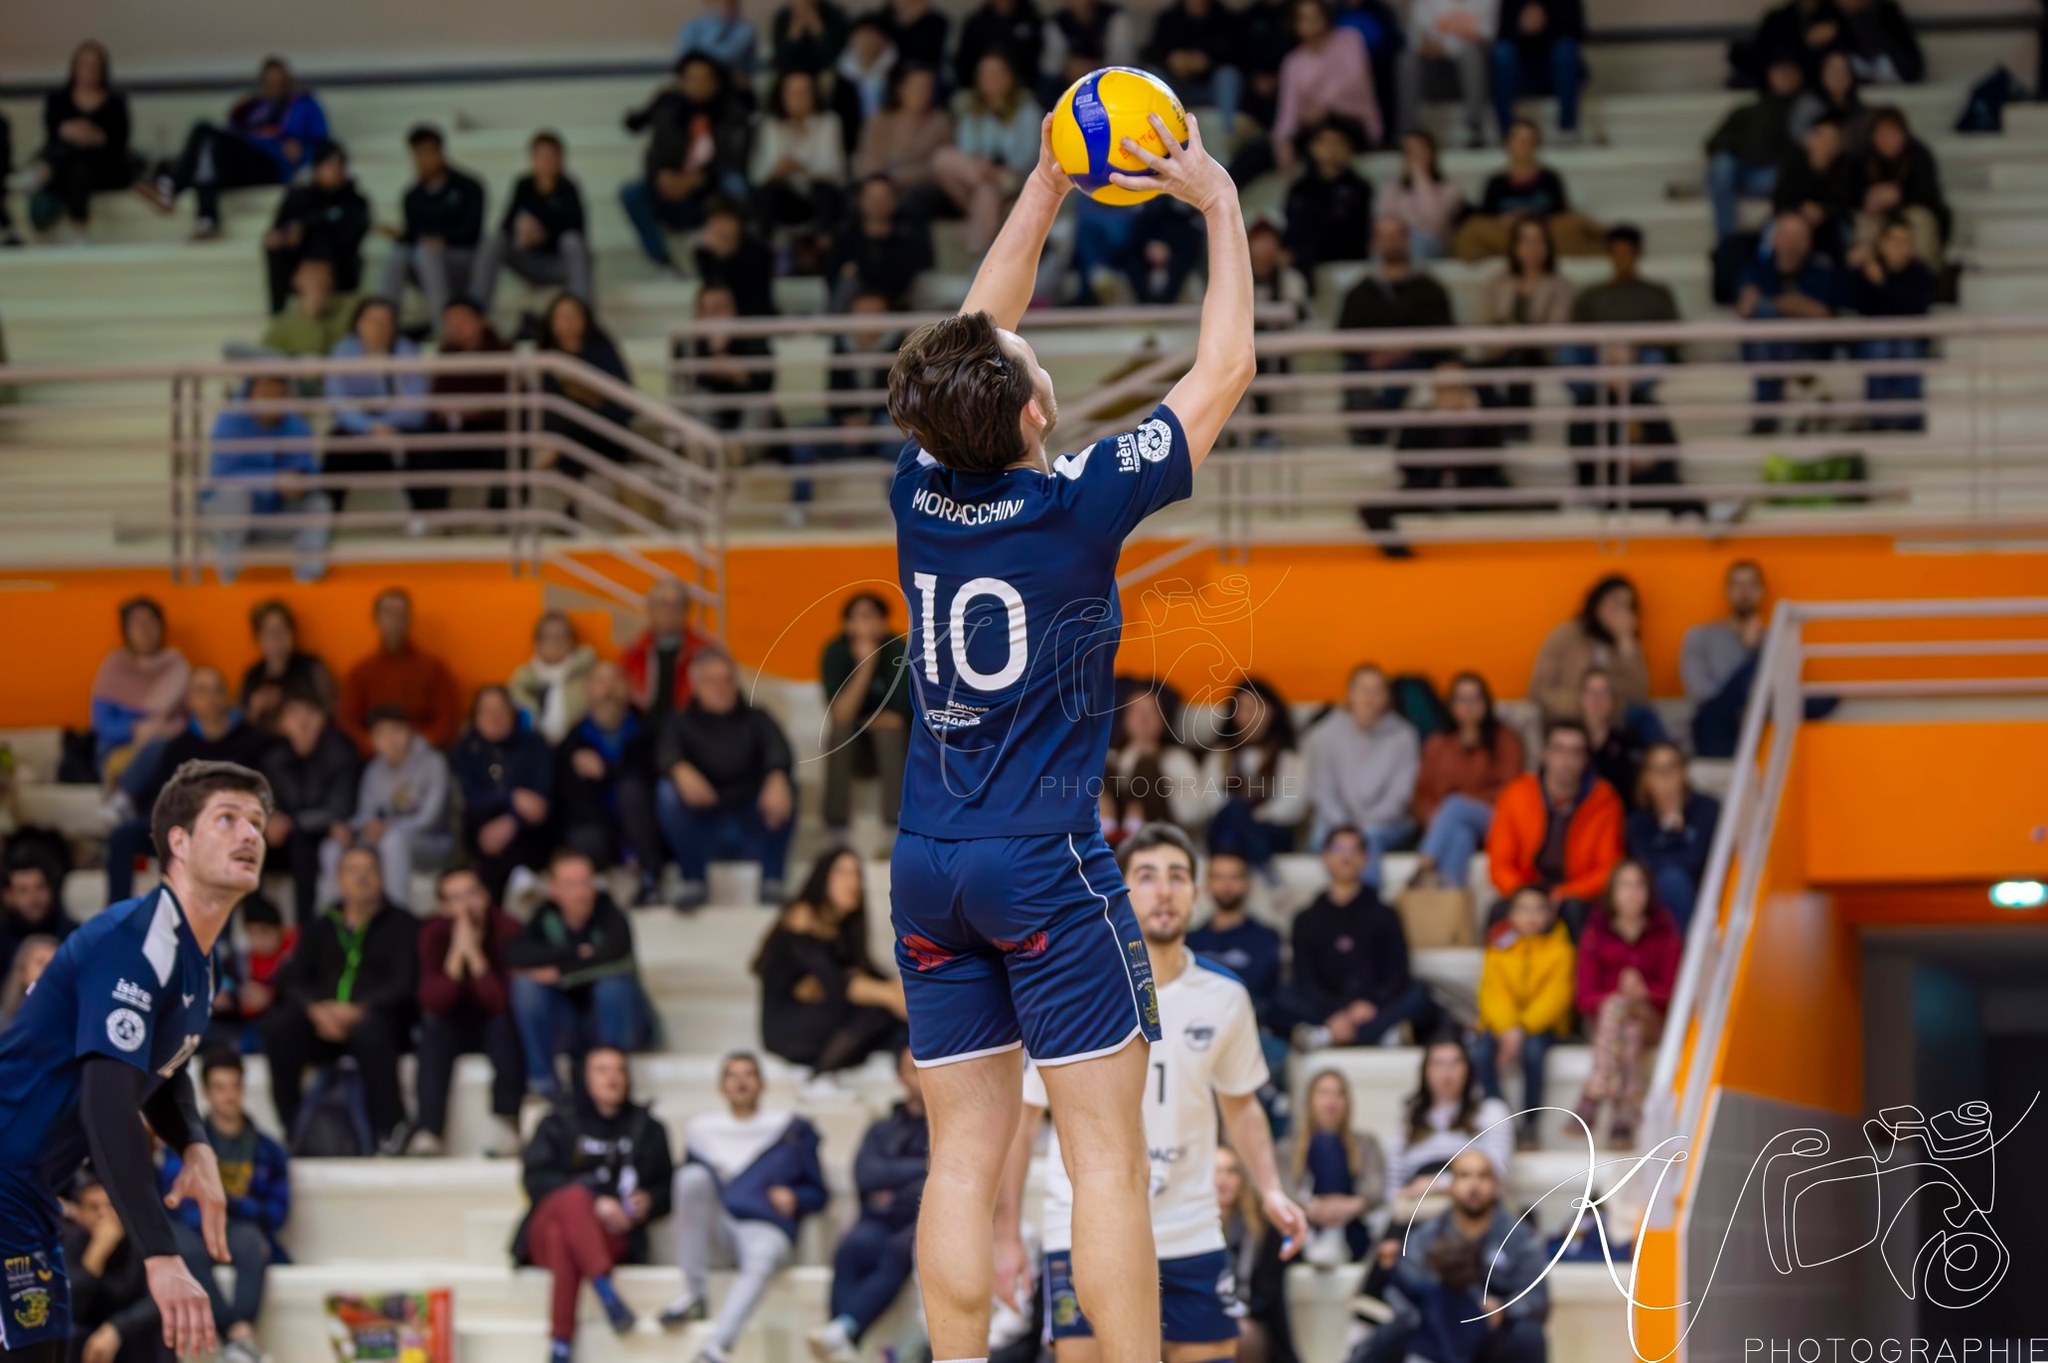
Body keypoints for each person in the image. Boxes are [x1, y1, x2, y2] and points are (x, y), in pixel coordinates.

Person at [883, 106, 1252, 1363]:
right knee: (1103, 1160)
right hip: (1039, 858)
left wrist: (1045, 181)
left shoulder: (915, 486)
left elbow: (968, 342)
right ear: (1034, 416)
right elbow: (1223, 370)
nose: (1018, 344)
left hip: (926, 857)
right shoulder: (1079, 501)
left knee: (960, 1156)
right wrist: (1216, 203)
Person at [996, 826, 1308, 1363]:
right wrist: (1005, 1234)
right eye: (1146, 877)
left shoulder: (1226, 997)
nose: (1164, 891)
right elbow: (1022, 1125)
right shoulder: (1069, 996)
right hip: (1084, 1228)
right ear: (1119, 892)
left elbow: (1241, 1106)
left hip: (1189, 1227)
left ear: (1197, 893)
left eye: (1177, 877)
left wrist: (1272, 1189)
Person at [0, 760, 270, 1363]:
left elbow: (165, 1070)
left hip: (29, 1189)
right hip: (7, 1177)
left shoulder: (199, 960)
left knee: (43, 1349)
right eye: (228, 818)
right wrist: (161, 1253)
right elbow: (107, 1106)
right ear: (179, 841)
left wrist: (194, 1144)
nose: (250, 833)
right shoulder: (132, 942)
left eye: (257, 821)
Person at [658, 1053, 828, 1363]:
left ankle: (716, 1348)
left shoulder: (790, 1130)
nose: (741, 1082)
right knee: (690, 1177)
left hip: (765, 1227)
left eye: (749, 1074)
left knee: (762, 1254)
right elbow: (693, 1197)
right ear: (721, 1086)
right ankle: (694, 1294)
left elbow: (819, 1193)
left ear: (762, 1084)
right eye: (732, 1075)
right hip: (720, 1228)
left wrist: (796, 1197)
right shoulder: (703, 1132)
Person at [514, 1046, 675, 1363]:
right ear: (584, 1077)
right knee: (574, 1198)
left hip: (612, 1232)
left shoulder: (648, 1128)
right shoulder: (557, 1122)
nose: (611, 1078)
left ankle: (561, 1345)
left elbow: (667, 1189)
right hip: (547, 1223)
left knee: (563, 1239)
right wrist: (596, 1202)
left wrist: (649, 1202)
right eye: (601, 1070)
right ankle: (604, 1288)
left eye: (618, 1070)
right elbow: (535, 1180)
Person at [262, 845, 418, 1153]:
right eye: (352, 870)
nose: (361, 878)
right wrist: (316, 1010)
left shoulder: (402, 924)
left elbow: (404, 983)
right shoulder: (322, 924)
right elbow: (293, 980)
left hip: (376, 1020)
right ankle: (292, 1128)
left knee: (374, 1031)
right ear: (338, 879)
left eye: (368, 870)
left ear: (382, 877)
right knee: (278, 1028)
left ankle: (390, 1129)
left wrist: (358, 1010)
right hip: (322, 1024)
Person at [158, 1052, 289, 1363]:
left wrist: (229, 1205)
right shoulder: (183, 1144)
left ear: (243, 1088)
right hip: (194, 1230)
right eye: (220, 1087)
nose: (228, 1095)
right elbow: (173, 1199)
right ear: (206, 1092)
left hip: (243, 1231)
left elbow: (277, 1213)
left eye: (234, 1086)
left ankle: (236, 1339)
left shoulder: (268, 1149)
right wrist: (213, 1216)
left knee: (252, 1241)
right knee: (183, 1248)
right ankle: (238, 1337)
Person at [1361, 1150, 1549, 1363]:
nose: (1474, 1186)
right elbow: (1403, 1292)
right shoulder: (1427, 1235)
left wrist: (1503, 1308)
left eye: (1483, 1176)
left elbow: (1536, 1297)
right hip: (1436, 1329)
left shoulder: (1519, 1237)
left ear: (1496, 1185)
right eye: (1465, 1176)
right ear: (1451, 1185)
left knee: (1528, 1336)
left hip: (1494, 1331)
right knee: (1392, 1334)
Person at [105, 669, 266, 905]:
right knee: (124, 837)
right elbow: (163, 797)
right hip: (183, 828)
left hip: (229, 828)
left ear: (226, 696)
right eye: (202, 691)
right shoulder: (178, 746)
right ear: (190, 700)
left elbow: (260, 791)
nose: (210, 698)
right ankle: (117, 915)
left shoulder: (250, 740)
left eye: (216, 690)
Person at [808, 1048, 929, 1363]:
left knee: (901, 1249)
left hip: (921, 1220)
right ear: (899, 1075)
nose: (919, 1075)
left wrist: (895, 1188)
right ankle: (840, 1334)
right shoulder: (882, 1128)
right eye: (911, 1068)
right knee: (853, 1246)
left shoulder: (946, 1126)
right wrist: (918, 1171)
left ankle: (845, 1329)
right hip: (879, 1218)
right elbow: (866, 1174)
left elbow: (943, 1173)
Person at [506, 849, 654, 1098]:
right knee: (526, 987)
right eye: (570, 884)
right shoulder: (544, 917)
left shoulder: (610, 913)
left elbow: (615, 958)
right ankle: (543, 1083)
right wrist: (576, 953)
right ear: (553, 888)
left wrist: (563, 972)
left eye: (586, 882)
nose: (580, 891)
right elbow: (516, 955)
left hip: (618, 1021)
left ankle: (611, 1079)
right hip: (571, 1022)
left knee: (613, 988)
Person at [656, 650, 797, 910]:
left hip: (751, 825)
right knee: (667, 792)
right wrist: (677, 768)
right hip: (703, 829)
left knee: (785, 785)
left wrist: (777, 775)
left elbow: (779, 751)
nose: (720, 688)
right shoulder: (679, 722)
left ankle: (772, 880)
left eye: (727, 679)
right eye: (710, 681)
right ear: (695, 686)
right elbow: (664, 753)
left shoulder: (757, 718)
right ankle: (693, 880)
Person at [754, 846, 906, 1074]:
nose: (852, 882)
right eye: (842, 873)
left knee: (894, 1021)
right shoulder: (801, 918)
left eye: (856, 874)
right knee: (876, 1009)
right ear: (823, 877)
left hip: (823, 1018)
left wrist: (896, 989)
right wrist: (890, 996)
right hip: (789, 1027)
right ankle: (819, 1077)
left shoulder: (843, 929)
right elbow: (835, 981)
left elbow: (859, 973)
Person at [1281, 826, 1437, 1047]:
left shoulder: (1384, 913)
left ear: (1365, 859)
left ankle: (1328, 1036)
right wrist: (1334, 1012)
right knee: (1279, 998)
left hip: (1373, 1008)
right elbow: (1304, 977)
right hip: (1324, 1009)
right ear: (1325, 857)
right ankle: (1375, 1035)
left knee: (1420, 996)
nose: (1346, 857)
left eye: (1354, 850)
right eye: (1339, 849)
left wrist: (1370, 1004)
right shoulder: (1307, 918)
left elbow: (1397, 972)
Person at [139, 57, 329, 238]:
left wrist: (303, 151)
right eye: (269, 82)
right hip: (243, 163)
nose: (275, 87)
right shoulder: (252, 108)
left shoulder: (305, 104)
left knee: (204, 131)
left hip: (271, 165)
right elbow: (232, 135)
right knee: (208, 147)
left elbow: (324, 145)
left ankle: (172, 188)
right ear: (262, 84)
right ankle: (206, 218)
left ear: (289, 82)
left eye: (280, 82)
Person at [412, 867, 525, 1157]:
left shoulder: (508, 929)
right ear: (443, 906)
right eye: (456, 898)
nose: (466, 905)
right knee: (433, 1029)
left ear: (486, 896)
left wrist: (475, 957)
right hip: (452, 1023)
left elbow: (500, 1001)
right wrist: (456, 956)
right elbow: (434, 1000)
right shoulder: (433, 934)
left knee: (503, 1026)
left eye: (472, 894)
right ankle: (429, 1130)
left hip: (495, 1022)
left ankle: (507, 1122)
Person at [1573, 861, 1681, 1146]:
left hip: (1651, 1017)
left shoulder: (1665, 932)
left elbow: (1672, 991)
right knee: (1627, 1027)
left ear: (1649, 892)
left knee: (1623, 1013)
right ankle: (1625, 1116)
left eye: (1639, 885)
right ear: (1612, 892)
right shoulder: (1595, 933)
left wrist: (1645, 992)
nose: (1632, 893)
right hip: (1609, 1022)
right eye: (1624, 885)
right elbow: (1584, 997)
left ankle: (1596, 1088)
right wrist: (1618, 993)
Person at [1484, 722, 1622, 933]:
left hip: (1576, 892)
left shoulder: (1604, 800)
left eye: (1575, 752)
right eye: (1559, 749)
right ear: (1545, 754)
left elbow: (1608, 869)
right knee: (1499, 912)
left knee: (1576, 909)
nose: (1566, 760)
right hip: (1526, 887)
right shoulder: (1515, 793)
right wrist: (1527, 897)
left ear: (1585, 758)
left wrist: (1564, 894)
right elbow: (1500, 863)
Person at [620, 53, 752, 269]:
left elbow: (733, 156)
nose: (697, 85)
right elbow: (650, 143)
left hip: (711, 186)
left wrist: (701, 178)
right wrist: (660, 176)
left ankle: (735, 255)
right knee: (632, 193)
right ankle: (662, 260)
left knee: (736, 186)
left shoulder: (729, 111)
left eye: (703, 78)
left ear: (715, 82)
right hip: (670, 183)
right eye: (691, 78)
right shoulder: (668, 107)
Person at [554, 661, 667, 905]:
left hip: (648, 828)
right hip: (600, 833)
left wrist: (607, 771)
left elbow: (654, 777)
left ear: (628, 687)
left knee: (631, 791)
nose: (608, 689)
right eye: (600, 682)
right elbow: (572, 805)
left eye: (615, 680)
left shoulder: (651, 729)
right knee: (584, 836)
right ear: (587, 690)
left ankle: (650, 878)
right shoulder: (572, 743)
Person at [204, 373, 331, 585]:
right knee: (234, 493)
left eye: (277, 393)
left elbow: (307, 469)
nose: (271, 398)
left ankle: (308, 576)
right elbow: (223, 475)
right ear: (250, 393)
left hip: (274, 516)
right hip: (229, 515)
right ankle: (228, 574)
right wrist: (273, 480)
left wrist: (300, 483)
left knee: (319, 503)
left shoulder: (297, 425)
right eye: (265, 392)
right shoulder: (229, 421)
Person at [1470, 887, 1573, 1149]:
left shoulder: (1561, 949)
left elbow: (1556, 997)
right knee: (1481, 1053)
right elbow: (1491, 993)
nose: (1531, 916)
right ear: (1511, 916)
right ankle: (1500, 1121)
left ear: (1550, 915)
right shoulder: (1499, 948)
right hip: (1503, 1025)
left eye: (1539, 909)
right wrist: (1509, 1027)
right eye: (1524, 909)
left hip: (1542, 1025)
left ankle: (1529, 1125)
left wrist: (1523, 1026)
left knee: (1533, 1054)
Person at [1338, 219, 1456, 437]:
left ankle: (1380, 425)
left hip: (1417, 360)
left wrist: (1402, 350)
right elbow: (1344, 337)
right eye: (1384, 236)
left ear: (1406, 240)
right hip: (1369, 362)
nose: (1390, 242)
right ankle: (1367, 431)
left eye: (1395, 236)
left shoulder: (1430, 289)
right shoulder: (1359, 292)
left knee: (1411, 369)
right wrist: (1375, 353)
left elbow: (1443, 336)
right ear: (1374, 243)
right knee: (1353, 371)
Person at [324, 707, 450, 911]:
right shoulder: (374, 769)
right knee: (332, 847)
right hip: (384, 836)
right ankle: (335, 915)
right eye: (381, 733)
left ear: (410, 732)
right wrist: (350, 828)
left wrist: (388, 827)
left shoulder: (433, 762)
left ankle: (396, 915)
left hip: (431, 842)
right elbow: (366, 814)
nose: (390, 739)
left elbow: (430, 818)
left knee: (393, 840)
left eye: (396, 730)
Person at [1305, 664, 1419, 881]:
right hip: (1335, 821)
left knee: (1367, 841)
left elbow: (1400, 794)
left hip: (1386, 823)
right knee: (1326, 840)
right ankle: (1330, 900)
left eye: (1378, 691)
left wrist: (1364, 826)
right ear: (1349, 695)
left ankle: (1367, 899)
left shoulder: (1404, 735)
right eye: (1364, 690)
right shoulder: (1323, 735)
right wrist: (1345, 827)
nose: (1370, 698)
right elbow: (1321, 789)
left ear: (1388, 697)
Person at [321, 297, 431, 518]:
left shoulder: (407, 351)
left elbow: (416, 401)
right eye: (371, 320)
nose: (377, 327)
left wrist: (387, 425)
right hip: (359, 429)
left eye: (384, 321)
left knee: (425, 446)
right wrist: (370, 427)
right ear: (357, 324)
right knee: (336, 444)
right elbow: (338, 400)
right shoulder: (343, 351)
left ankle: (425, 516)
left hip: (398, 427)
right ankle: (328, 516)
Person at [1412, 672, 1524, 889]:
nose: (1468, 706)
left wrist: (1461, 804)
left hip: (1496, 818)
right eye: (1462, 699)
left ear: (1486, 703)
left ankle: (1423, 867)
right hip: (1448, 822)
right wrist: (1431, 817)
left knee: (1455, 806)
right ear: (1451, 705)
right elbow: (1422, 793)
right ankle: (1450, 895)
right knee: (1461, 835)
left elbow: (1511, 789)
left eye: (1475, 698)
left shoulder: (1505, 738)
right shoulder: (1438, 743)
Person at [377, 125, 488, 332]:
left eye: (427, 153)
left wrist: (442, 240)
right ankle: (383, 324)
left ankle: (443, 330)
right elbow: (413, 236)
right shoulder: (412, 195)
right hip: (425, 263)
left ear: (440, 152)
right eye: (417, 155)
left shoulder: (469, 186)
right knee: (399, 253)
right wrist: (398, 236)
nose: (422, 160)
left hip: (462, 261)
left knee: (427, 251)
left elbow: (472, 231)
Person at [1736, 211, 1841, 430]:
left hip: (1807, 347)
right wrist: (1792, 306)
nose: (1792, 243)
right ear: (1775, 238)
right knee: (1765, 331)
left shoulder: (1821, 270)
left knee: (1766, 319)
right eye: (1787, 236)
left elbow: (1821, 312)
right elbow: (1745, 308)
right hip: (1767, 348)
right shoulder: (1757, 268)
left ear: (1808, 241)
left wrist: (1772, 304)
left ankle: (1765, 423)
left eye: (1798, 237)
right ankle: (1809, 392)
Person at [259, 692, 359, 923]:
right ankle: (255, 926)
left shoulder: (340, 752)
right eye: (294, 714)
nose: (302, 722)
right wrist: (269, 818)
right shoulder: (273, 756)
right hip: (283, 835)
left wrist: (292, 822)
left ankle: (304, 928)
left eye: (310, 713)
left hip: (322, 834)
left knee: (301, 842)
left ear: (324, 718)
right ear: (281, 722)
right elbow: (262, 799)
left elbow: (340, 808)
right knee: (247, 840)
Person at [1190, 677, 1307, 873]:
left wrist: (1252, 819)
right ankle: (1265, 868)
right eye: (1243, 708)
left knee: (1236, 824)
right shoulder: (1219, 756)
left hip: (1270, 831)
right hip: (1226, 828)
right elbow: (1211, 801)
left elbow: (1294, 806)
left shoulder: (1289, 759)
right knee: (1233, 811)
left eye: (1257, 707)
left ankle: (1249, 859)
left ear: (1273, 712)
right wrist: (1239, 815)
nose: (1250, 714)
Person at [932, 54, 1043, 256]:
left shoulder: (1028, 110)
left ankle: (978, 254)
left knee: (986, 191)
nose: (992, 79)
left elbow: (1027, 157)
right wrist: (987, 171)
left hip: (1014, 178)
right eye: (985, 74)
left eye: (997, 73)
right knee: (943, 158)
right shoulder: (972, 111)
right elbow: (966, 152)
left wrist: (992, 170)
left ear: (1010, 77)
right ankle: (981, 253)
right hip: (980, 176)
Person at [450, 686, 554, 899]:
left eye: (500, 710)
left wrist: (512, 821)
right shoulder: (464, 751)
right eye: (487, 711)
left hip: (530, 835)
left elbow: (541, 803)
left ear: (512, 713)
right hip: (481, 837)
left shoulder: (534, 746)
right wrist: (511, 798)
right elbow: (469, 799)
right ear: (475, 717)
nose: (494, 718)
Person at [820, 593, 911, 835]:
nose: (867, 624)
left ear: (883, 623)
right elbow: (841, 715)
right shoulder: (836, 652)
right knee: (840, 733)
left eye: (873, 617)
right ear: (847, 625)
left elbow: (898, 717)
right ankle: (836, 824)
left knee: (888, 732)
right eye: (860, 617)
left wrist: (866, 721)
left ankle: (896, 822)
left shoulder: (898, 649)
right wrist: (866, 664)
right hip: (855, 745)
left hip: (894, 745)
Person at [472, 131, 592, 310]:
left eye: (551, 157)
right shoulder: (524, 185)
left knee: (572, 241)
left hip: (557, 265)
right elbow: (505, 226)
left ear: (561, 159)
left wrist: (544, 234)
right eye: (541, 157)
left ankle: (582, 310)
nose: (546, 162)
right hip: (528, 260)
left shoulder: (568, 188)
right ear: (532, 159)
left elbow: (578, 232)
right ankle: (476, 308)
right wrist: (521, 231)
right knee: (495, 240)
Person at [61, 1173, 173, 1363]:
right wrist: (96, 1255)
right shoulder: (71, 1243)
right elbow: (71, 1308)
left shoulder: (143, 1240)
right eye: (94, 1208)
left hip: (130, 1333)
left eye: (111, 1205)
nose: (104, 1214)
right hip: (90, 1338)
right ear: (80, 1213)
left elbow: (158, 1300)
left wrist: (117, 1328)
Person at [27, 41, 134, 238]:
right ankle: (75, 226)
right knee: (74, 162)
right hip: (67, 166)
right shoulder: (58, 100)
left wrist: (96, 137)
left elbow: (120, 145)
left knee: (79, 164)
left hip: (103, 168)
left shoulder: (115, 102)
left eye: (94, 65)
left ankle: (77, 226)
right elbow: (51, 139)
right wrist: (69, 132)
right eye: (84, 64)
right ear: (74, 66)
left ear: (103, 69)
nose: (88, 71)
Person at [337, 588, 462, 752]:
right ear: (376, 618)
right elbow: (348, 722)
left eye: (401, 614)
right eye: (389, 613)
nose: (395, 620)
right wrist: (373, 745)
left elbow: (448, 720)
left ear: (409, 619)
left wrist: (420, 746)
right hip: (376, 755)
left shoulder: (433, 669)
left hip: (423, 754)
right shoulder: (361, 672)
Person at [1386, 1036, 1514, 1196]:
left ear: (1468, 1069)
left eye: (1455, 1063)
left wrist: (1437, 1184)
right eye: (1438, 1063)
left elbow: (1497, 1170)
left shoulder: (1492, 1111)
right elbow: (1394, 1180)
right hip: (1417, 1201)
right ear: (1425, 1071)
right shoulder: (1410, 1117)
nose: (1447, 1072)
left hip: (1471, 1200)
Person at [1847, 213, 1936, 431]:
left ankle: (1909, 421)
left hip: (1910, 340)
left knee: (1905, 349)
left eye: (1906, 242)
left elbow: (1915, 309)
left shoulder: (1921, 273)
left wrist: (1883, 285)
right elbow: (1860, 307)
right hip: (1872, 340)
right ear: (1882, 243)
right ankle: (1878, 421)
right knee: (1881, 347)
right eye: (1895, 241)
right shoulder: (1865, 272)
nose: (1900, 247)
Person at [1271, 0, 1381, 175]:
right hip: (1313, 128)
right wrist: (1282, 142)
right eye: (1304, 18)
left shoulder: (1351, 39)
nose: (1311, 23)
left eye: (1315, 16)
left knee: (1327, 139)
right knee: (1263, 148)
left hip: (1352, 122)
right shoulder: (1293, 62)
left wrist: (1315, 105)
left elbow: (1355, 83)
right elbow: (1288, 112)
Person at [1289, 1069, 1386, 1263]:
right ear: (1310, 1100)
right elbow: (1284, 1191)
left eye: (1339, 1094)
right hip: (1304, 1227)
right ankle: (1327, 1236)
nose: (1331, 1101)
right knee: (1323, 1141)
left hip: (1353, 1227)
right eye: (1324, 1093)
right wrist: (1311, 1209)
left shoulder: (1367, 1143)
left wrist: (1348, 1206)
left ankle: (1332, 1236)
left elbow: (1376, 1190)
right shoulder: (1288, 1148)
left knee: (1328, 1141)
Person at [1704, 53, 1805, 242]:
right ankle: (1728, 241)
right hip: (1739, 169)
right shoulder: (1745, 111)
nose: (1785, 77)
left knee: (1788, 177)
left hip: (1771, 174)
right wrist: (1739, 151)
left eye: (1789, 72)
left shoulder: (1801, 112)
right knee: (1722, 166)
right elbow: (1713, 142)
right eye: (1780, 72)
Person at [536, 292, 638, 477]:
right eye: (561, 317)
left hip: (602, 429)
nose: (568, 323)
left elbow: (625, 403)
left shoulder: (601, 350)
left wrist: (587, 397)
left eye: (573, 316)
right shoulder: (544, 359)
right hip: (565, 437)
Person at [1526, 574, 1651, 726]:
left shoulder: (1626, 643)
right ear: (1597, 601)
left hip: (1614, 723)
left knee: (1645, 716)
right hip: (1569, 720)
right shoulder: (1566, 634)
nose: (1619, 611)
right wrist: (1582, 705)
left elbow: (1639, 693)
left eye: (1627, 606)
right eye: (1615, 603)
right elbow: (1538, 690)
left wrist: (1626, 642)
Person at [90, 596, 190, 781]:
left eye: (151, 622)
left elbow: (190, 715)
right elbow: (102, 724)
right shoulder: (114, 665)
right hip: (120, 748)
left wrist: (167, 729)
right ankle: (123, 795)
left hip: (168, 742)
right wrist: (137, 730)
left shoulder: (175, 664)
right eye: (137, 623)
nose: (145, 630)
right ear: (125, 629)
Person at [261, 143, 370, 312]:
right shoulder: (299, 196)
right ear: (317, 168)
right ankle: (279, 308)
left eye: (339, 166)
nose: (335, 171)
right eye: (329, 165)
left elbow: (353, 234)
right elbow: (280, 227)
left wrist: (307, 224)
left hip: (337, 262)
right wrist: (288, 232)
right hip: (298, 259)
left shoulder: (354, 200)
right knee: (275, 243)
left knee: (322, 245)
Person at [1478, 214, 1571, 413]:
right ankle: (1497, 419)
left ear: (1547, 246)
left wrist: (1515, 334)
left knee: (1518, 359)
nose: (1532, 247)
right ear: (1515, 246)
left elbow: (1556, 326)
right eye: (1525, 240)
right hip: (1502, 349)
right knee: (1470, 369)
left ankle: (1517, 424)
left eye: (1538, 240)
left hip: (1538, 353)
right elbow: (1487, 320)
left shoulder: (1559, 285)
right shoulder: (1499, 282)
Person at [1626, 744, 1720, 938]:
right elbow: (1647, 869)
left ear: (1684, 773)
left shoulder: (1706, 809)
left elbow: (1695, 861)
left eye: (1672, 768)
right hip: (1655, 900)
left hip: (1704, 895)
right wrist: (1674, 835)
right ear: (1646, 779)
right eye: (1657, 771)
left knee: (1673, 880)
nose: (1666, 778)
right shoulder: (1637, 823)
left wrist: (1673, 834)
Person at [1214, 1145, 1294, 1363]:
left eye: (1231, 1171)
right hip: (1201, 1314)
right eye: (1216, 1172)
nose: (1223, 1180)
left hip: (1253, 1319)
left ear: (1242, 1179)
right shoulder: (1192, 1231)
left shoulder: (1263, 1229)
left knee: (1243, 1335)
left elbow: (1267, 1295)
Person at [1186, 851, 1282, 1027]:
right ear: (1207, 884)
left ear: (1248, 883)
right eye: (1219, 877)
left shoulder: (1266, 937)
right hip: (1197, 1023)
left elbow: (1263, 991)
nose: (1227, 885)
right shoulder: (1190, 940)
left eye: (1235, 877)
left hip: (1252, 1025)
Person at [1682, 560, 1767, 758]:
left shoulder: (1773, 640)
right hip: (1714, 724)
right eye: (1737, 584)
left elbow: (1777, 694)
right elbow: (1699, 691)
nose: (1744, 592)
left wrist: (1756, 648)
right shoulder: (1700, 636)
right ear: (1727, 591)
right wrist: (1749, 654)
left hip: (1759, 723)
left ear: (1760, 592)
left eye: (1750, 584)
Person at [752, 70, 847, 240]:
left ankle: (822, 244)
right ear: (781, 95)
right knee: (765, 195)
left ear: (815, 94)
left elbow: (834, 169)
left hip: (817, 194)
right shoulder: (770, 124)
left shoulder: (830, 122)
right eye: (792, 93)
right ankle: (767, 245)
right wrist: (778, 170)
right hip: (785, 194)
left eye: (804, 92)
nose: (798, 98)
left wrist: (801, 168)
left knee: (825, 193)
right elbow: (758, 173)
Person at [1101, 687, 1202, 845]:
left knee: (1146, 767)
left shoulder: (1178, 758)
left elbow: (1196, 812)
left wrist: (1161, 786)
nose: (1143, 718)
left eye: (1151, 711)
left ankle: (1134, 828)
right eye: (1136, 711)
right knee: (1103, 764)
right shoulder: (1111, 758)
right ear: (1124, 718)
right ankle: (1107, 830)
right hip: (1112, 835)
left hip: (1159, 834)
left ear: (1164, 719)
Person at [851, 65, 955, 218]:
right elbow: (866, 157)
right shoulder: (878, 121)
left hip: (920, 188)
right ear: (901, 89)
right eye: (916, 86)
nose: (922, 92)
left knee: (914, 199)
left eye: (927, 87)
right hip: (878, 183)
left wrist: (902, 177)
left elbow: (940, 166)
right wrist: (882, 181)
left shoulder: (940, 123)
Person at [1850, 107, 1948, 268]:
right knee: (1865, 223)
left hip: (1911, 213)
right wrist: (1870, 198)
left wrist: (1900, 195)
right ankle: (1867, 275)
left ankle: (1924, 274)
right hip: (1877, 216)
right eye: (1881, 133)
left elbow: (1929, 195)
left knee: (1920, 219)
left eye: (1892, 133)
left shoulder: (1918, 155)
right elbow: (1850, 195)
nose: (1887, 139)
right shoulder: (1863, 158)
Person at [827, 176, 936, 309]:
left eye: (883, 198)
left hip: (896, 302)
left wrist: (862, 270)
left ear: (895, 200)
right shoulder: (847, 234)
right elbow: (834, 275)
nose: (878, 204)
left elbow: (906, 272)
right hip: (851, 304)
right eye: (872, 198)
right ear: (860, 200)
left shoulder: (907, 234)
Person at [1282, 122, 1374, 278]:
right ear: (1312, 148)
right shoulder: (1300, 189)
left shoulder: (1360, 189)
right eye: (1324, 142)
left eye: (1338, 142)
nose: (1331, 148)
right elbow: (1291, 231)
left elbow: (1362, 234)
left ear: (1348, 148)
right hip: (1304, 264)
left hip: (1350, 261)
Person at [1398, 0, 1494, 148]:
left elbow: (1487, 34)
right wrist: (1431, 45)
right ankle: (1408, 130)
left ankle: (1474, 126)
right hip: (1432, 57)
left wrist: (1450, 41)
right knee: (1407, 61)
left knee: (1471, 54)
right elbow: (1417, 34)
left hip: (1470, 55)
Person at [622, 578, 714, 730]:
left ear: (686, 611)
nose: (670, 611)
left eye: (677, 605)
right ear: (651, 610)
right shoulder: (632, 654)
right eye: (663, 604)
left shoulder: (705, 654)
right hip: (642, 732)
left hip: (693, 731)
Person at [1143, 0, 1245, 136]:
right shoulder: (1168, 19)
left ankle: (1227, 133)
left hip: (1209, 89)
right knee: (1153, 74)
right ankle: (1155, 133)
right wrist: (1172, 61)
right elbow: (1151, 53)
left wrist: (1208, 62)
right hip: (1175, 90)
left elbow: (1239, 58)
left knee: (1228, 74)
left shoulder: (1226, 19)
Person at [1491, 0, 1585, 141]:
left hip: (1555, 69)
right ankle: (1507, 130)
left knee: (1566, 51)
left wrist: (1545, 24)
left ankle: (1567, 127)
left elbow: (1578, 34)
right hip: (1521, 70)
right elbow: (1502, 35)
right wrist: (1523, 28)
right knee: (1502, 53)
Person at [238, 600, 336, 735]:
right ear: (259, 637)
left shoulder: (311, 666)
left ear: (291, 632)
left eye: (282, 629)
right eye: (269, 631)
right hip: (269, 743)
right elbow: (243, 728)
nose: (277, 637)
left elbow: (334, 709)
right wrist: (255, 708)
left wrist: (312, 718)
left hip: (315, 738)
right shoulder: (253, 676)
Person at [510, 612, 599, 746]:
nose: (556, 642)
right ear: (537, 643)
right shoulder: (522, 680)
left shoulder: (589, 674)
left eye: (562, 636)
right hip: (534, 750)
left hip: (581, 747)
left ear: (572, 641)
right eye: (549, 636)